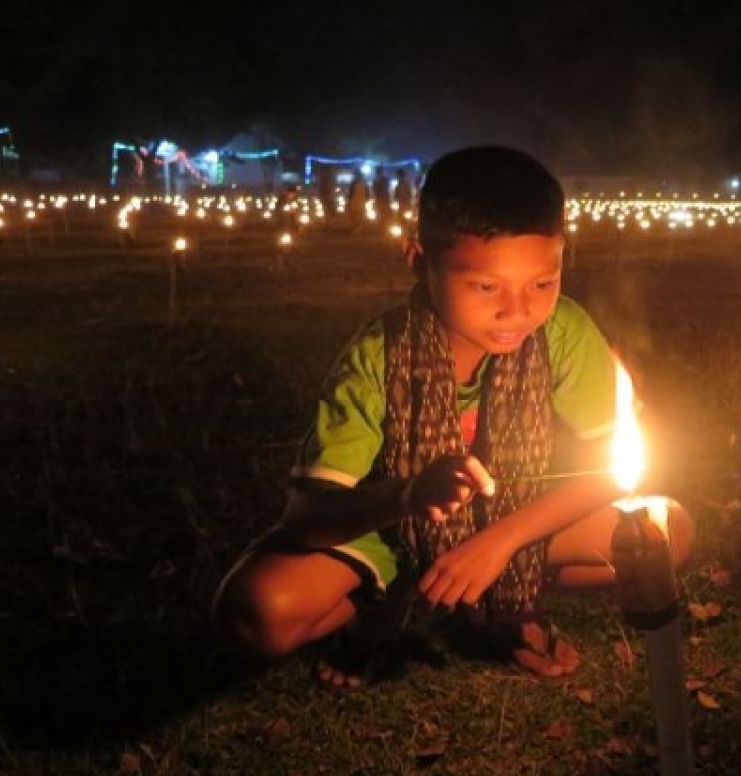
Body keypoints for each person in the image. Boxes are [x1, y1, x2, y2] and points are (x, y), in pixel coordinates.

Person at [213, 146, 693, 688]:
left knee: (665, 530)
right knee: (260, 608)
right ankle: (385, 596)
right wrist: (411, 495)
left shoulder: (562, 331)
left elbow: (608, 468)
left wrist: (499, 544)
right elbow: (305, 517)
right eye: (486, 286)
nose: (519, 311)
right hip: (390, 534)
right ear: (419, 260)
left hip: (519, 523)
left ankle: (504, 591)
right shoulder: (378, 357)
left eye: (543, 282)